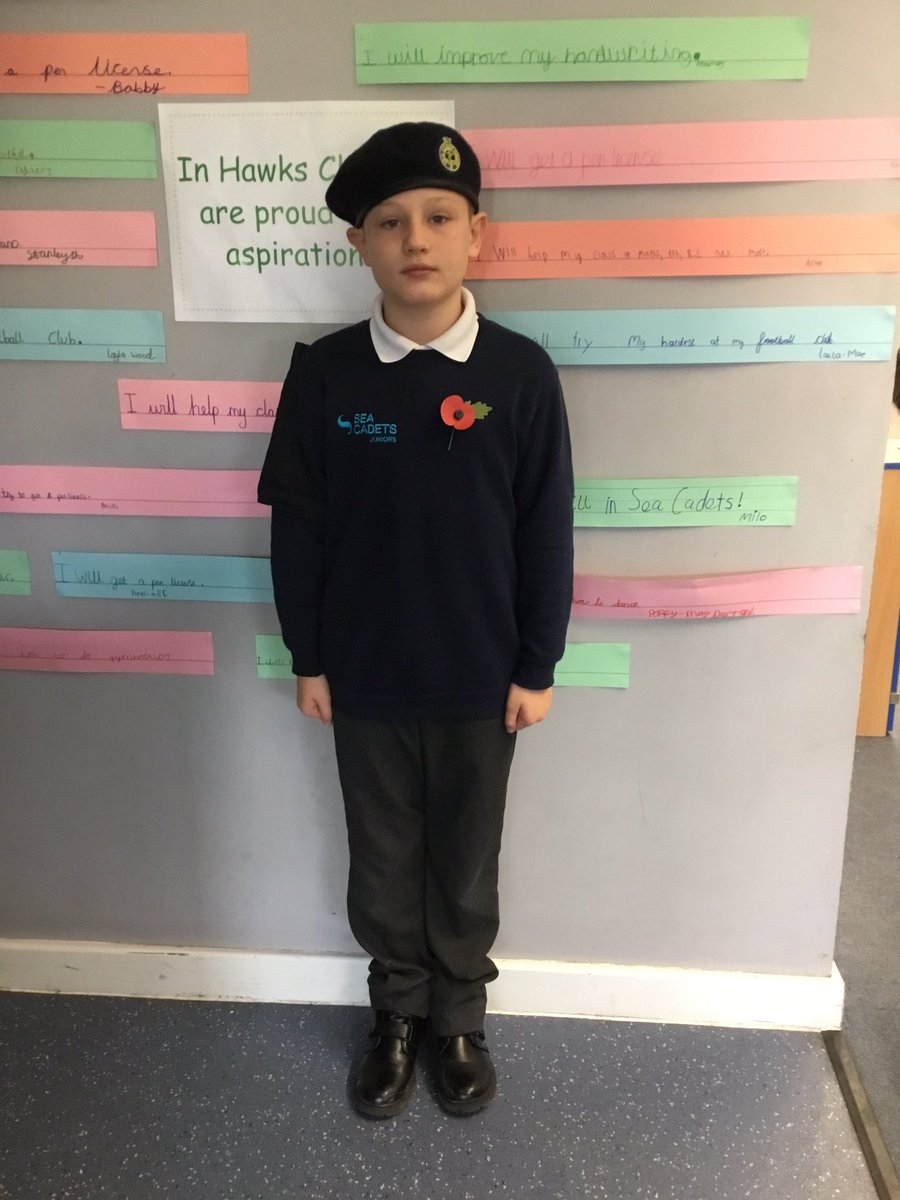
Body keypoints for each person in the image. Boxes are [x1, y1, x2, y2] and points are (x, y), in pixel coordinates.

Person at [258, 122, 574, 1119]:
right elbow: (300, 531)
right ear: (361, 246)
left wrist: (538, 663)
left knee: (465, 859)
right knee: (385, 855)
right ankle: (396, 1014)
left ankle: (460, 1020)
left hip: (483, 679)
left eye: (439, 217)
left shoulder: (521, 375)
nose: (416, 238)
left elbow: (546, 529)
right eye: (389, 222)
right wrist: (310, 656)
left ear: (478, 232)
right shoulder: (326, 374)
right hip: (366, 677)